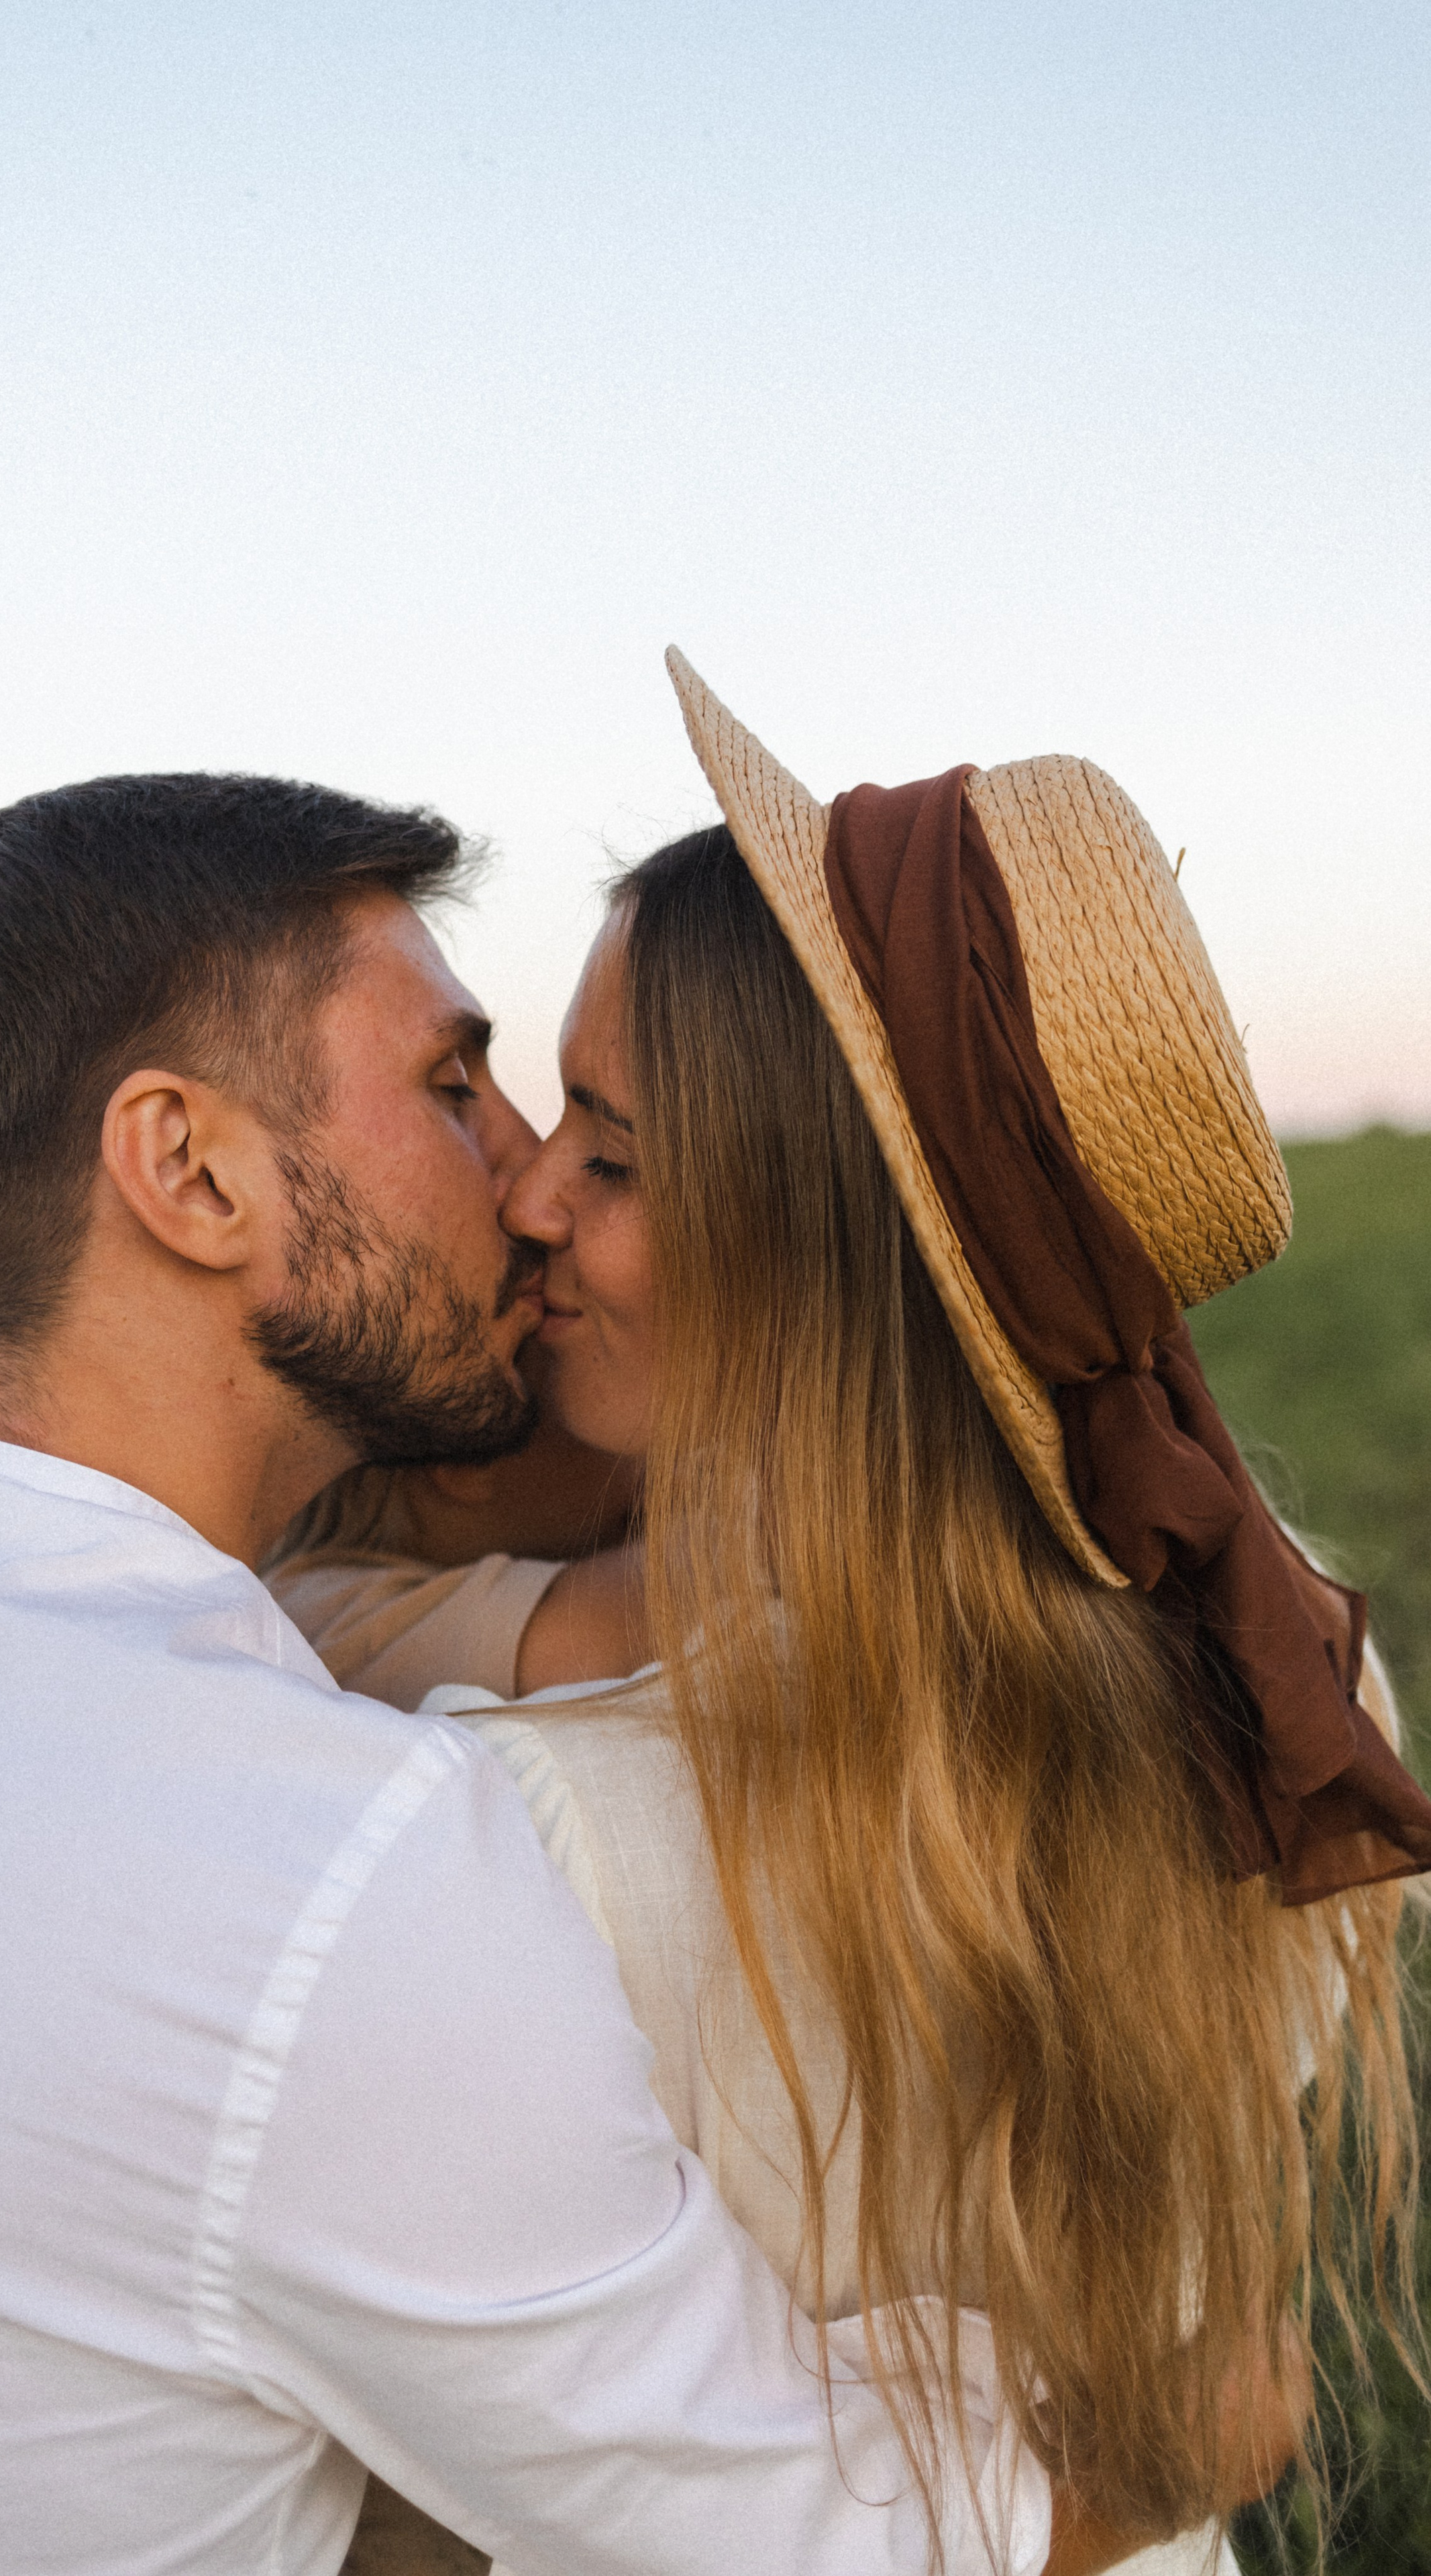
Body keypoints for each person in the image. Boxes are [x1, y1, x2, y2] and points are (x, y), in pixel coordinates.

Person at [0, 768, 1124, 2575]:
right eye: (452, 1085)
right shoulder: (329, 1872)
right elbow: (817, 2538)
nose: (528, 1174)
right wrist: (1181, 2435)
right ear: (191, 1170)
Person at [272, 657, 1431, 2576]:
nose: (535, 1197)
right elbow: (1216, 2388)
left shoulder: (528, 1831)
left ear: (824, 1274)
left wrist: (545, 1622)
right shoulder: (1293, 1675)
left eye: (616, 1152)